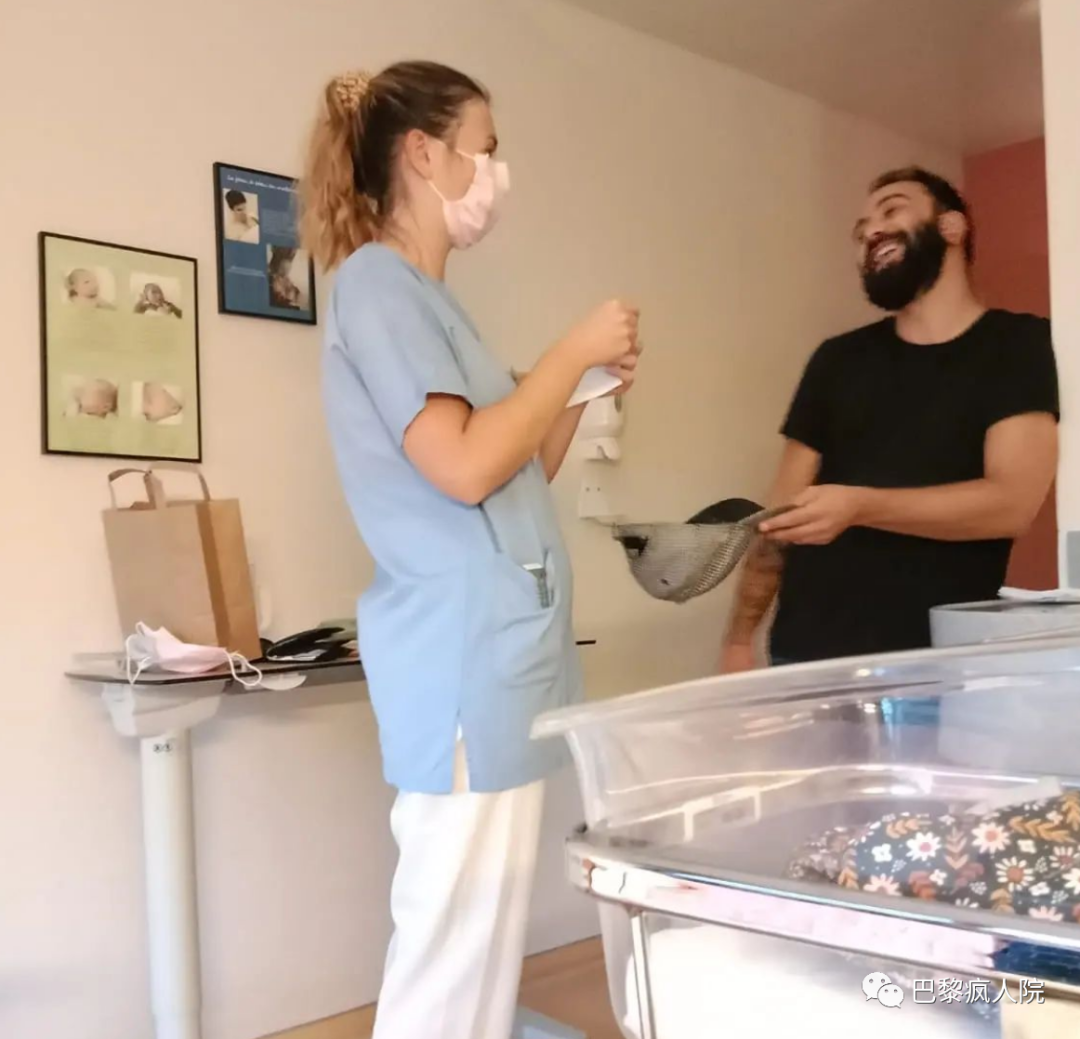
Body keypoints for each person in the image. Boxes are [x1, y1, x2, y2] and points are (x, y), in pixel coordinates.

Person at [298, 61, 641, 1039]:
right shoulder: (378, 285)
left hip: (496, 655)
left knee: (479, 944)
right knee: (451, 952)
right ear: (424, 153)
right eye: (485, 150)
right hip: (460, 659)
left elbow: (516, 465)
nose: (496, 172)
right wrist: (570, 353)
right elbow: (460, 466)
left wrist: (582, 389)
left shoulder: (428, 301)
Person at [720, 167, 1058, 673]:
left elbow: (1010, 505)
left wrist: (859, 506)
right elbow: (777, 521)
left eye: (892, 209)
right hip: (804, 657)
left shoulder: (1021, 344)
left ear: (952, 227)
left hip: (938, 666)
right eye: (859, 234)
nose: (870, 233)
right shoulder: (836, 360)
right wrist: (738, 640)